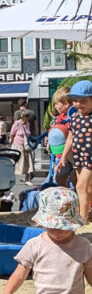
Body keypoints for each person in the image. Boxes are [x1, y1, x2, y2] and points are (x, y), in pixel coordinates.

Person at [58, 80, 92, 225]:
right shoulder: (74, 118)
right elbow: (70, 138)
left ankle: (82, 219)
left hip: (90, 156)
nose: (78, 104)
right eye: (75, 101)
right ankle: (87, 213)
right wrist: (63, 157)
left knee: (80, 186)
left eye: (83, 101)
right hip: (79, 156)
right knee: (87, 188)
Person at [10, 108, 35, 184]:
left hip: (26, 145)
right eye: (26, 116)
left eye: (28, 116)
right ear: (21, 116)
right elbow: (12, 134)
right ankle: (12, 177)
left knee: (29, 161)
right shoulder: (16, 123)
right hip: (18, 145)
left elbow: (28, 133)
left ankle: (27, 179)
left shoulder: (28, 123)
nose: (27, 117)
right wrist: (11, 141)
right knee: (19, 162)